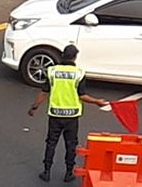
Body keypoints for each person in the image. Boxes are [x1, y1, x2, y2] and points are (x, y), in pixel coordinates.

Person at [28, 45, 109, 183]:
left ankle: (46, 171)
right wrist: (97, 102)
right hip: (71, 117)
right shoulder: (79, 73)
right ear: (75, 57)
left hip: (55, 115)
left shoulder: (52, 71)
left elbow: (44, 92)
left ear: (62, 55)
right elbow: (82, 95)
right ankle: (69, 173)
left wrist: (34, 107)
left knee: (51, 143)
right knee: (71, 144)